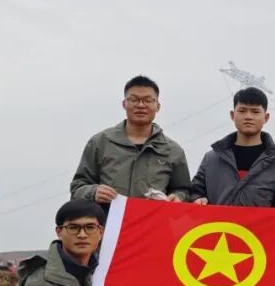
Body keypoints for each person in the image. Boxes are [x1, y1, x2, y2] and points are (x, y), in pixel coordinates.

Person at [71, 75, 190, 205]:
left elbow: (185, 191)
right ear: (124, 104)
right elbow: (77, 187)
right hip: (108, 217)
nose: (141, 105)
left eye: (148, 100)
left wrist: (178, 197)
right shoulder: (100, 142)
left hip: (153, 218)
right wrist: (93, 192)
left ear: (157, 106)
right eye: (134, 99)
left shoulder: (172, 150)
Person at [189, 87, 275, 207]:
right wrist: (198, 199)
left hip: (262, 221)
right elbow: (194, 192)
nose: (248, 116)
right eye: (242, 111)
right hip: (217, 220)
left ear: (266, 118)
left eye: (255, 112)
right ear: (232, 115)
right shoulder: (211, 159)